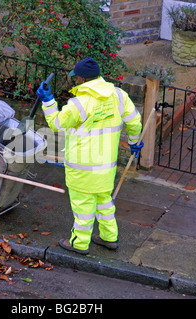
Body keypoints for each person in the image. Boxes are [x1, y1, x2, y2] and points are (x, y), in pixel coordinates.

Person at [36, 57, 143, 254]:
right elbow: (135, 122)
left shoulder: (79, 103)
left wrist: (48, 101)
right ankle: (108, 237)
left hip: (82, 168)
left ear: (82, 79)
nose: (75, 81)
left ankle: (79, 243)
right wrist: (135, 143)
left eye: (76, 78)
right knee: (104, 202)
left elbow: (57, 125)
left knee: (83, 208)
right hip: (106, 167)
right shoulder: (119, 95)